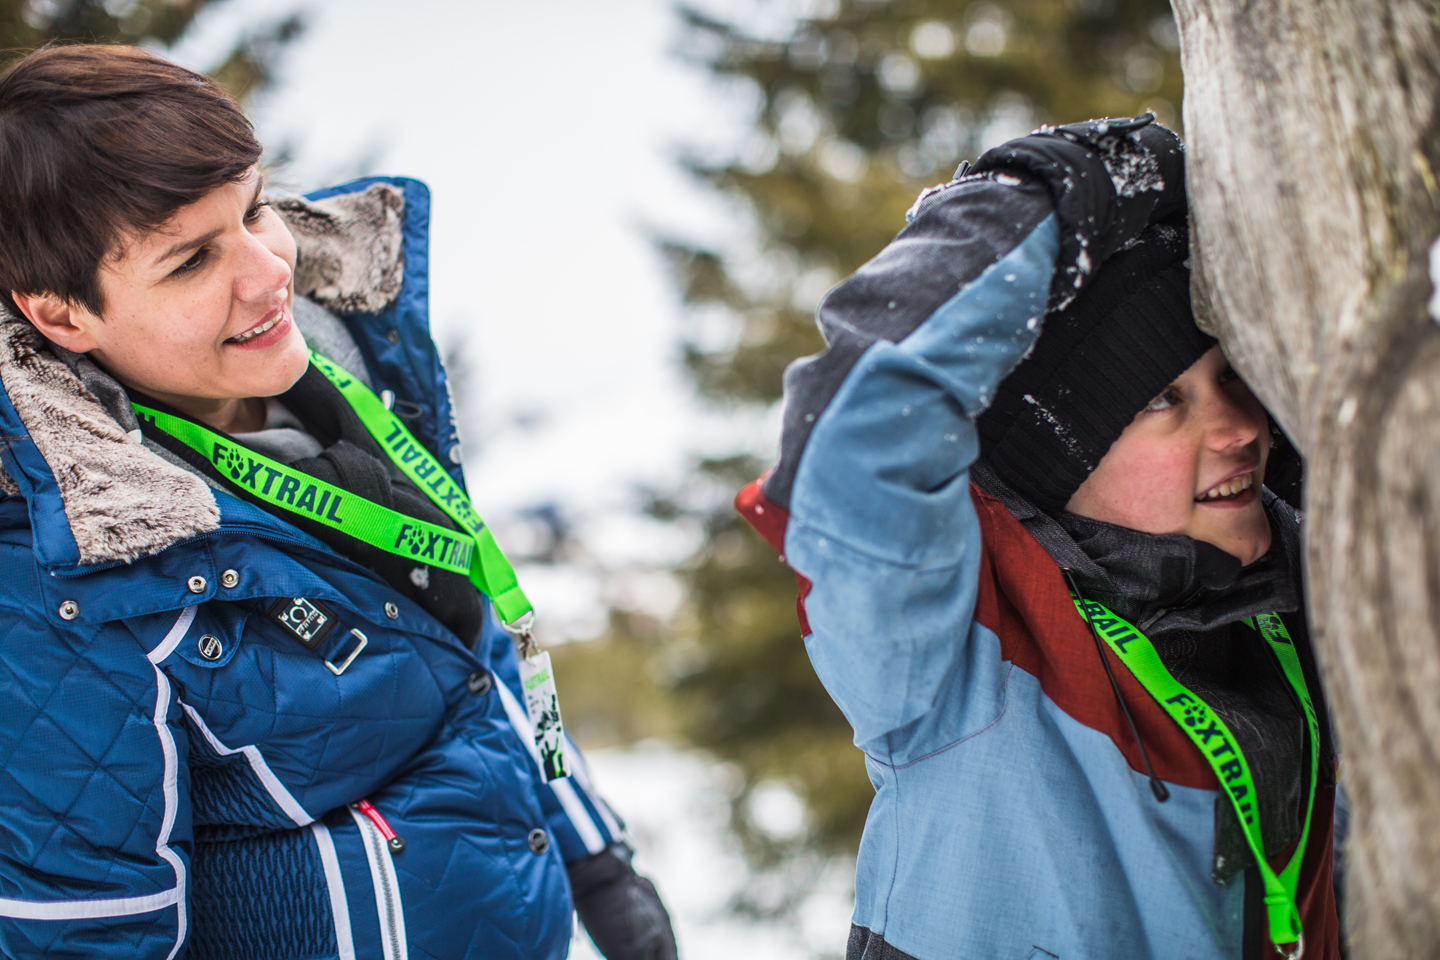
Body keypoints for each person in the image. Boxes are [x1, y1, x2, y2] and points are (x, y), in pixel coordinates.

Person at [0, 44, 676, 960]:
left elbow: (469, 657)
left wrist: (598, 862)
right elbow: (86, 934)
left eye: (253, 212)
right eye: (193, 260)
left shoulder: (357, 384)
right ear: (60, 314)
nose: (268, 270)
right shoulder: (67, 571)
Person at [737, 116, 1340, 960]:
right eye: (1164, 400)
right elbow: (852, 440)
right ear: (1064, 449)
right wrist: (1063, 186)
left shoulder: (1317, 593)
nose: (1241, 426)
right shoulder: (960, 645)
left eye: (1233, 377)